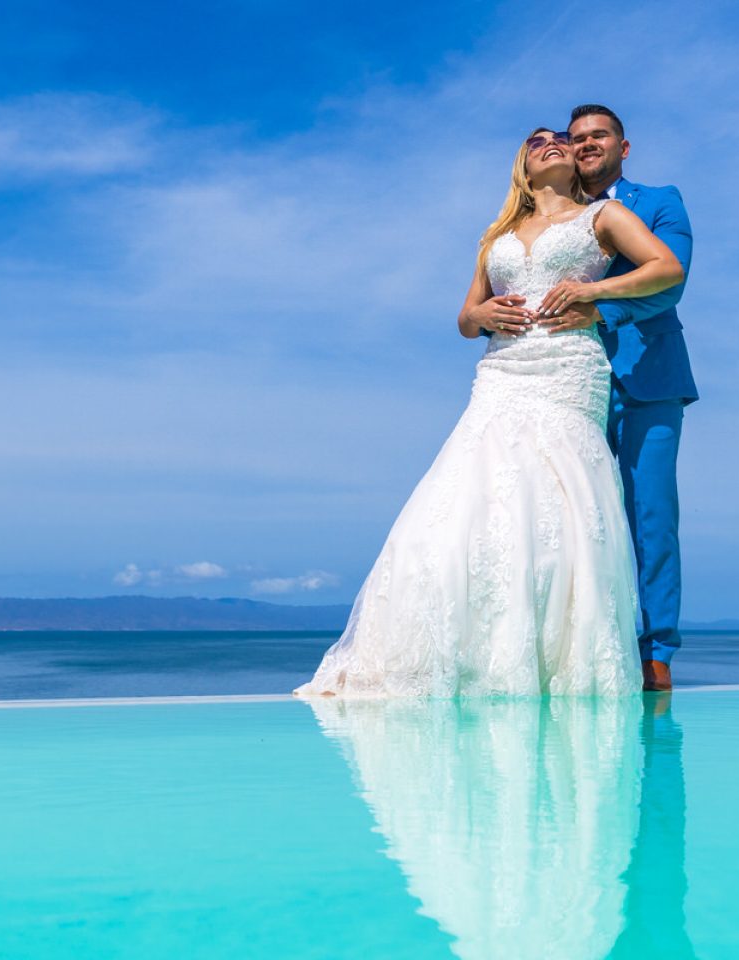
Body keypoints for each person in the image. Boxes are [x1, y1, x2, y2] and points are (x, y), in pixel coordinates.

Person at [294, 126, 683, 698]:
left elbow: (667, 269)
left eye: (560, 140)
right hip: (501, 374)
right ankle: (463, 651)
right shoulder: (496, 235)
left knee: (560, 501)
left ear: (577, 162)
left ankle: (557, 657)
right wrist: (487, 313)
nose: (550, 142)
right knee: (466, 500)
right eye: (536, 140)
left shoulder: (601, 217)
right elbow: (465, 319)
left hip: (567, 369)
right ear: (522, 166)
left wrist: (593, 294)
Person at [535, 105, 696, 691]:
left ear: (623, 147)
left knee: (650, 516)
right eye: (576, 138)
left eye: (598, 135)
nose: (585, 145)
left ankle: (656, 654)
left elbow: (671, 279)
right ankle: (578, 646)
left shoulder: (659, 200)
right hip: (568, 383)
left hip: (648, 379)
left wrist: (599, 302)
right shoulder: (557, 219)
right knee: (572, 517)